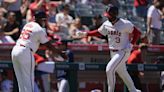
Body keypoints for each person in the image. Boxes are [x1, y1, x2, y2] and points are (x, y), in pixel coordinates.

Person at [76, 4, 142, 92]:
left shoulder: (125, 23)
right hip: (113, 52)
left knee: (109, 69)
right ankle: (133, 90)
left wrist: (131, 44)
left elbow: (137, 33)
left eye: (109, 15)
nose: (107, 17)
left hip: (123, 51)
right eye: (107, 15)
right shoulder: (107, 24)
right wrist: (86, 34)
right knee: (122, 72)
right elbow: (99, 32)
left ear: (115, 14)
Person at [11, 10, 65, 92]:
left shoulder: (27, 24)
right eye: (44, 20)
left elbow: (35, 40)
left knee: (21, 81)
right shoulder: (39, 29)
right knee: (28, 81)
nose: (45, 22)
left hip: (15, 50)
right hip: (25, 51)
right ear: (41, 19)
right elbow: (48, 46)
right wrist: (60, 53)